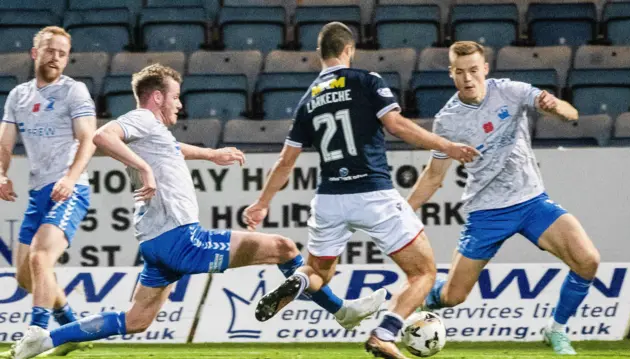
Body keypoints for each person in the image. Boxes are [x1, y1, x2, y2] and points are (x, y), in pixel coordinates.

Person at [12, 63, 385, 359]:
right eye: (175, 97)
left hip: (158, 245)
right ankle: (341, 311)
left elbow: (173, 149)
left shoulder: (154, 131)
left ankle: (44, 340)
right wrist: (143, 169)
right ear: (157, 97)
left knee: (136, 320)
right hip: (181, 239)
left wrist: (210, 154)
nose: (180, 104)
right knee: (286, 248)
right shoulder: (142, 118)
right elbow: (102, 136)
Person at [243, 22, 479, 359]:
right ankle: (385, 334)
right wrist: (447, 146)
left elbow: (285, 161)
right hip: (372, 194)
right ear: (348, 50)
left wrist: (261, 203)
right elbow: (397, 125)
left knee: (318, 272)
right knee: (423, 272)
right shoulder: (366, 81)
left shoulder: (308, 99)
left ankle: (299, 281)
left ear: (320, 55)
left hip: (328, 200)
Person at [406, 41, 600, 355]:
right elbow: (433, 176)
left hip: (532, 201)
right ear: (451, 74)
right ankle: (419, 303)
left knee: (588, 261)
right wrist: (404, 210)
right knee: (453, 296)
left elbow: (570, 112)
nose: (467, 78)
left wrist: (558, 108)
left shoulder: (511, 91)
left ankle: (556, 329)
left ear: (485, 69)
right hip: (486, 212)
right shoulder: (448, 120)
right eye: (459, 72)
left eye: (473, 70)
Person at [0, 26, 97, 358]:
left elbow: (88, 139)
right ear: (34, 53)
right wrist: (2, 173)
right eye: (50, 50)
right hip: (39, 191)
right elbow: (5, 142)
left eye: (62, 53)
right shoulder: (18, 96)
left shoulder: (75, 92)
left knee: (41, 257)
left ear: (67, 59)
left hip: (70, 190)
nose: (56, 57)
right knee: (26, 276)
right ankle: (73, 328)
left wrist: (71, 178)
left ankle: (37, 333)